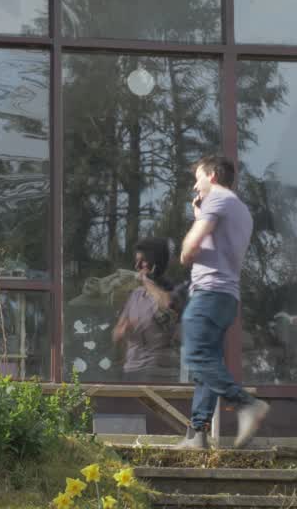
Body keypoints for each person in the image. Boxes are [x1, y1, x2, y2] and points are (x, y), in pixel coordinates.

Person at [176, 154, 268, 449]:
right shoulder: (241, 210)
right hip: (227, 296)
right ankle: (198, 432)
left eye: (198, 178)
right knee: (208, 362)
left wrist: (190, 238)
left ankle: (246, 404)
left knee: (195, 356)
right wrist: (198, 215)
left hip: (208, 293)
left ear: (213, 176)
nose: (195, 186)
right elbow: (218, 245)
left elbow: (190, 248)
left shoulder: (217, 199)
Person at [112, 237, 181, 383]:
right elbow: (117, 333)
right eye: (136, 261)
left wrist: (146, 281)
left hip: (158, 372)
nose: (137, 266)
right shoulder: (136, 295)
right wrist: (122, 331)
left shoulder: (171, 293)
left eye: (142, 260)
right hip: (132, 369)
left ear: (156, 262)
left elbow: (167, 305)